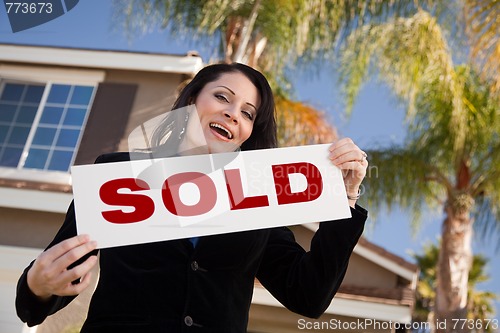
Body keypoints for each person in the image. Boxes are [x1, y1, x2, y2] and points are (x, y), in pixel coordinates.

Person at [16, 63, 368, 332]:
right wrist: (38, 286)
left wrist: (346, 197)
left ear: (247, 133)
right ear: (191, 100)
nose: (233, 113)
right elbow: (47, 287)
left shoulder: (258, 200)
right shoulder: (119, 176)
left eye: (248, 113)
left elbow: (307, 295)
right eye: (222, 97)